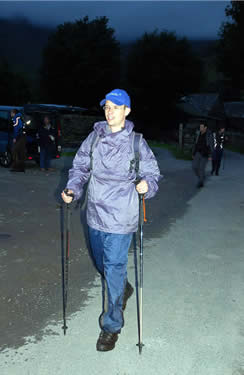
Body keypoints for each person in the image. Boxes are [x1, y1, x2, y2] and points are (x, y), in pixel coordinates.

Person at [61, 89, 161, 352]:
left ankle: (111, 327)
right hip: (94, 215)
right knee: (102, 266)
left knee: (113, 270)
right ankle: (124, 288)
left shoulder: (136, 142)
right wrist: (73, 189)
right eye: (107, 106)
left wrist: (146, 185)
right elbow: (80, 168)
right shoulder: (94, 138)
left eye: (116, 107)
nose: (110, 111)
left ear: (127, 111)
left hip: (121, 218)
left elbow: (152, 173)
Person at [192, 121, 214, 188]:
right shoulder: (198, 133)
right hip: (198, 153)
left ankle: (200, 182)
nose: (200, 128)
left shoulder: (209, 135)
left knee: (201, 168)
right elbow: (196, 144)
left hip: (205, 154)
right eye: (200, 127)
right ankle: (201, 177)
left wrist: (210, 155)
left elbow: (211, 145)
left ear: (205, 128)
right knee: (194, 167)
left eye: (201, 127)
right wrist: (193, 153)